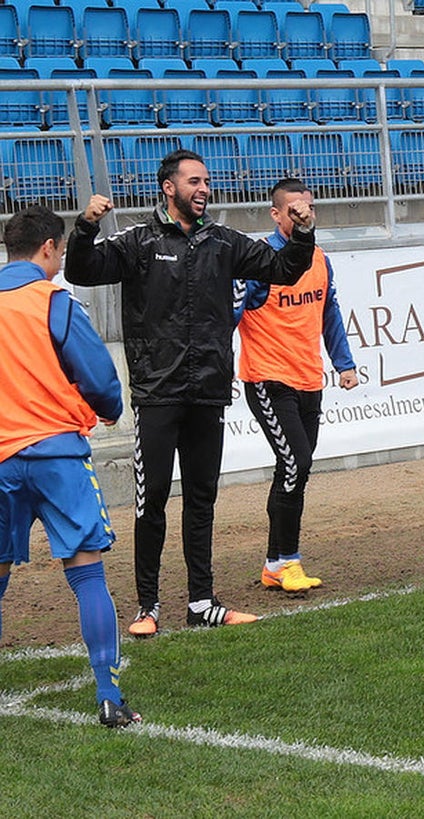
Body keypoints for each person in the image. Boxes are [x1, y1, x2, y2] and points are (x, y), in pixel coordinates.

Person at [64, 149, 316, 637]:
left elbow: (286, 269)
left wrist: (303, 232)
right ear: (168, 187)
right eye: (194, 181)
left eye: (207, 181)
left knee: (202, 499)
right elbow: (82, 270)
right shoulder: (137, 241)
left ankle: (202, 600)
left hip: (207, 392)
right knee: (151, 500)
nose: (204, 189)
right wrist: (85, 227)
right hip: (157, 395)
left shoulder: (223, 242)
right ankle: (147, 606)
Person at [0, 206, 140, 727]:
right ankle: (108, 695)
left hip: (0, 459)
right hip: (56, 454)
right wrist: (106, 411)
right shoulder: (54, 300)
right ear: (49, 248)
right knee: (87, 575)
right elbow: (101, 378)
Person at [236, 178, 358, 593]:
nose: (303, 215)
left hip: (309, 379)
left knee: (294, 472)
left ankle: (276, 563)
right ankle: (287, 561)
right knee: (296, 464)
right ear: (276, 214)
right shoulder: (260, 259)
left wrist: (344, 363)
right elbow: (232, 314)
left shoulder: (320, 258)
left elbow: (329, 312)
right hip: (268, 379)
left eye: (309, 208)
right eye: (294, 210)